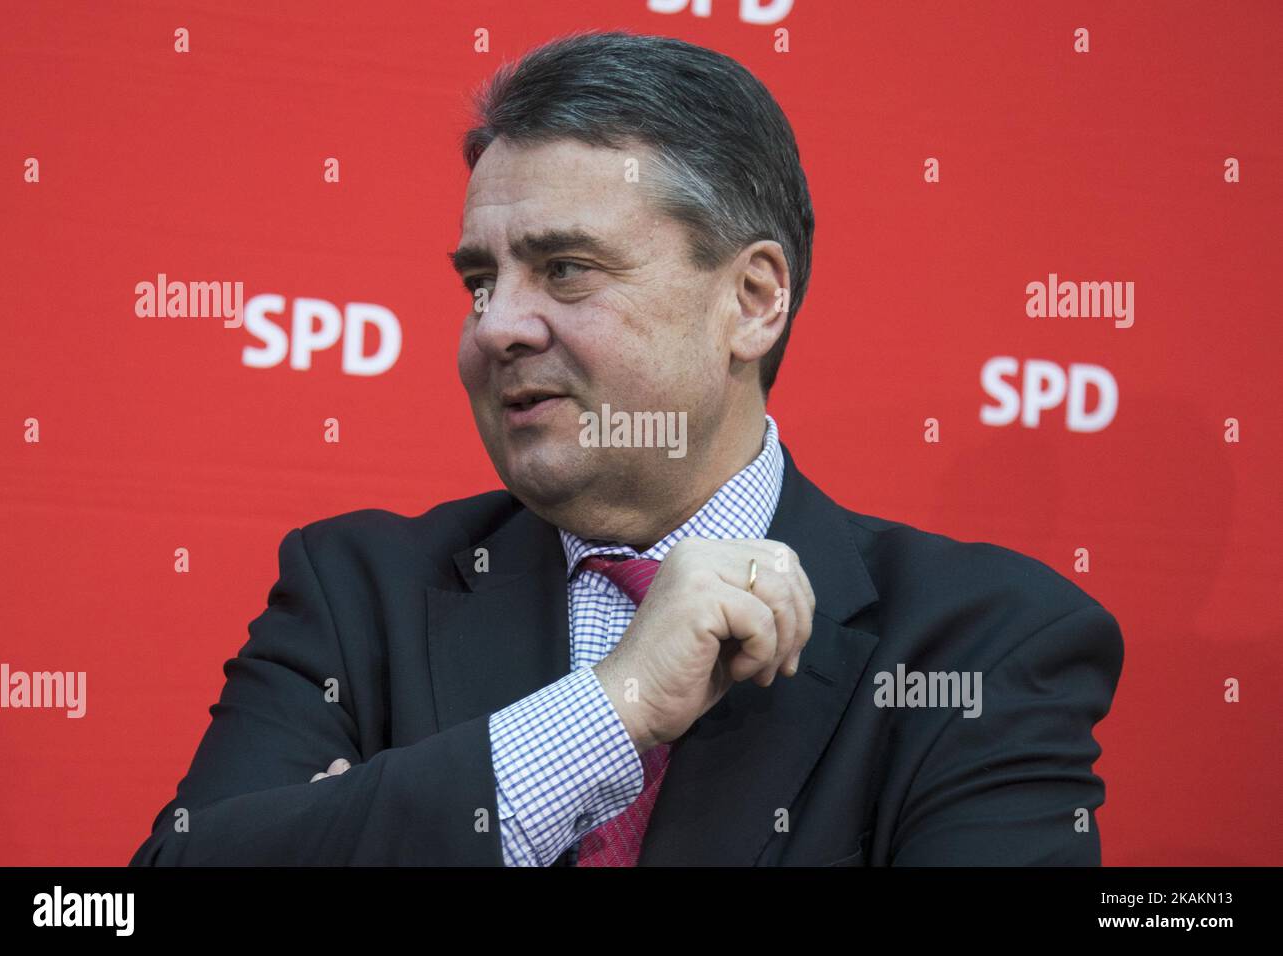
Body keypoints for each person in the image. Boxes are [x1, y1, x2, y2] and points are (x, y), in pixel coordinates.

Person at [129, 30, 1123, 867]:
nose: (497, 327)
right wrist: (609, 712)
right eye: (480, 279)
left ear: (752, 299)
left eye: (565, 269)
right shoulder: (355, 595)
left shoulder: (982, 643)